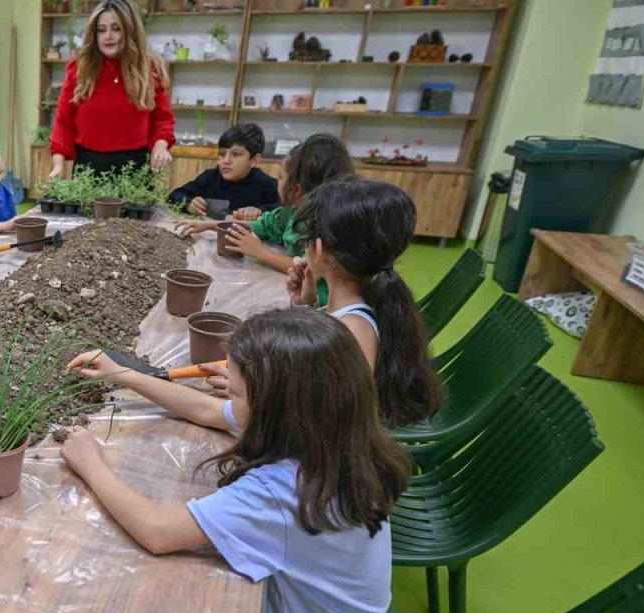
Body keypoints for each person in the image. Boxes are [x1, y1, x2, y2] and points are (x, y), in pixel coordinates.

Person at [62, 308, 413, 613]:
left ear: (273, 407)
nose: (228, 395)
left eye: (236, 392)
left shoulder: (285, 490)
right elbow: (206, 409)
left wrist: (91, 465)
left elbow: (158, 531)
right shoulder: (334, 434)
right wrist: (124, 375)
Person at [287, 176, 443, 428]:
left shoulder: (354, 330)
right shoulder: (361, 304)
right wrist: (306, 304)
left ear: (318, 247)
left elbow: (327, 418)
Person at [176, 133, 354, 276]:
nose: (226, 161)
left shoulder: (328, 228)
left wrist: (260, 252)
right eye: (222, 154)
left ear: (297, 188)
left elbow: (310, 270)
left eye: (281, 178)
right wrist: (211, 225)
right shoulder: (291, 212)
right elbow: (262, 225)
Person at [48, 0, 175, 180]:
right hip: (89, 169)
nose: (108, 36)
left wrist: (160, 147)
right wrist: (58, 165)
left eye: (116, 29)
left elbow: (163, 121)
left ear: (130, 31)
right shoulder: (80, 69)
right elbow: (63, 122)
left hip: (135, 170)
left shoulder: (149, 70)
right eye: (101, 30)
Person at [168, 123, 279, 218]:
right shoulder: (210, 177)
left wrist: (260, 211)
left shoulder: (266, 184)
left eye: (236, 154)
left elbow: (284, 208)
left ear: (254, 160)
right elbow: (174, 196)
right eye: (222, 154)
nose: (226, 161)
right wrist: (188, 204)